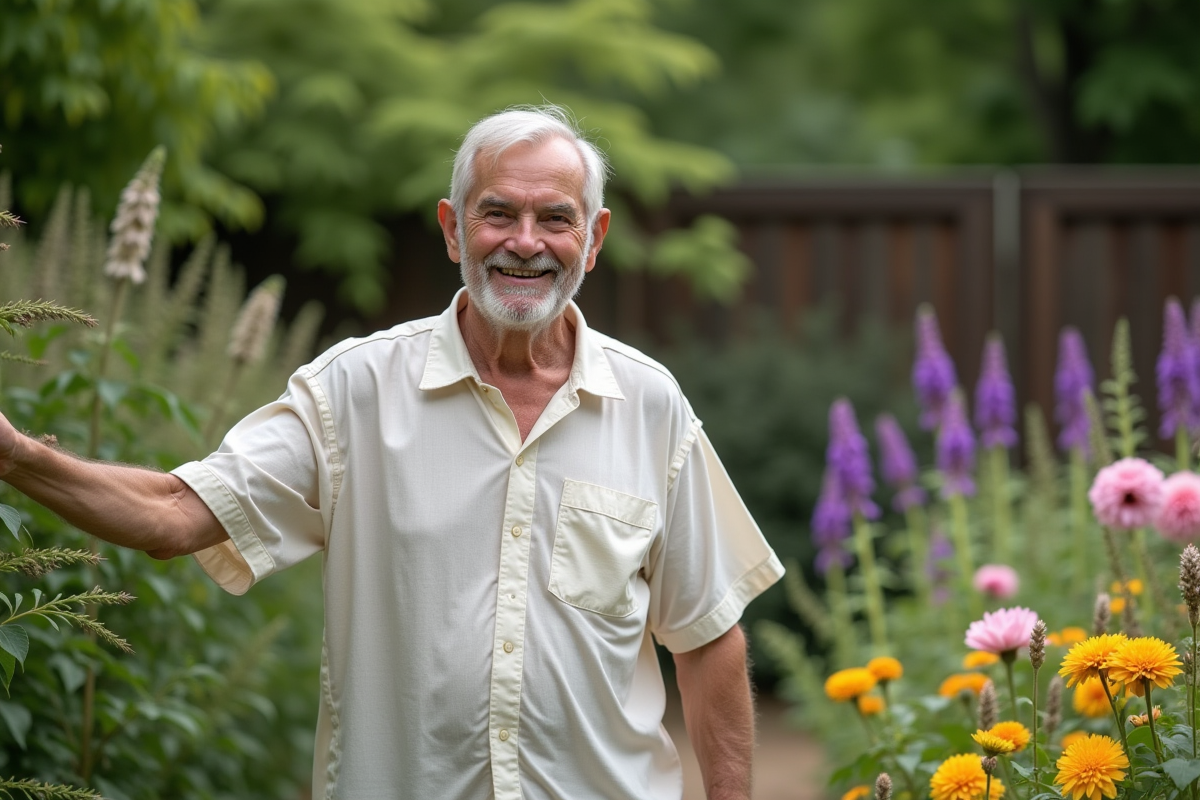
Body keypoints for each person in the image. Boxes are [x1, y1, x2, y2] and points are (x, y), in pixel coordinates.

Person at [0, 105, 783, 800]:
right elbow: (176, 514)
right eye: (497, 213)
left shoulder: (650, 405)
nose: (524, 242)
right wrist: (17, 457)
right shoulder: (354, 393)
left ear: (594, 237)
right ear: (450, 229)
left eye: (555, 218)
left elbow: (708, 634)